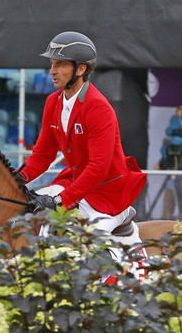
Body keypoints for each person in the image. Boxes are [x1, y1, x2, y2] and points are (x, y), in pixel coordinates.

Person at [16, 31, 147, 236]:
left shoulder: (98, 108)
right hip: (75, 183)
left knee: (80, 244)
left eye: (60, 64)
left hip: (106, 194)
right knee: (26, 215)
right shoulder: (52, 102)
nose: (52, 71)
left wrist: (60, 201)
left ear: (81, 69)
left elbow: (98, 168)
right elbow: (42, 156)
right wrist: (15, 179)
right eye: (52, 64)